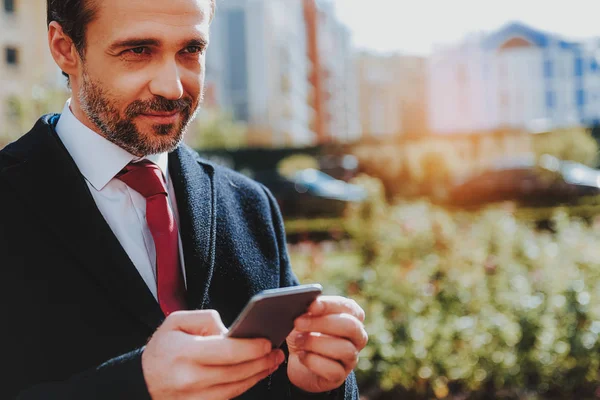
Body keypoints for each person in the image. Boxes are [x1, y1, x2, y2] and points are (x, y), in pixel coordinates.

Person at [0, 0, 368, 398]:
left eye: (190, 50)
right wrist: (139, 386)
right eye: (138, 50)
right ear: (64, 48)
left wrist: (314, 384)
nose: (172, 87)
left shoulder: (250, 205)